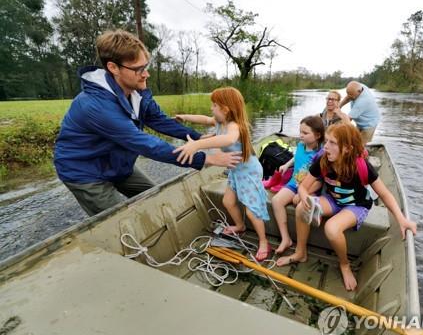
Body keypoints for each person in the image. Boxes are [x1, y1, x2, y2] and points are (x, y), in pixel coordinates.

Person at [53, 30, 241, 217]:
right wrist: (205, 159)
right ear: (113, 67)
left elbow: (159, 121)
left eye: (146, 66)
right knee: (122, 222)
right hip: (85, 171)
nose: (146, 74)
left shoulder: (137, 92)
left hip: (117, 163)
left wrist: (197, 137)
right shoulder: (95, 106)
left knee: (156, 200)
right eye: (138, 69)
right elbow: (146, 144)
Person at [276, 123, 417, 291]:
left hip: (356, 205)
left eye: (332, 143)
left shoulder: (362, 166)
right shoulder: (323, 160)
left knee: (332, 228)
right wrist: (305, 197)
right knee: (301, 209)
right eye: (326, 141)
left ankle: (344, 265)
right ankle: (300, 253)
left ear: (348, 149)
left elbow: (385, 194)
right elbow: (303, 187)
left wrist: (401, 219)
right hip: (333, 200)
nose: (326, 147)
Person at [174, 87, 272, 262]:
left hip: (248, 171)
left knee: (252, 211)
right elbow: (204, 119)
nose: (211, 109)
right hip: (236, 170)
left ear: (225, 109)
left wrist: (197, 145)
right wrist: (185, 117)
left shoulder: (235, 126)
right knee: (228, 201)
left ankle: (264, 242)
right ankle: (240, 226)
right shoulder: (220, 122)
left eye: (214, 105)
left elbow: (228, 140)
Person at [271, 116, 324, 254]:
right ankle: (285, 238)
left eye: (305, 133)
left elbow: (319, 182)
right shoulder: (301, 145)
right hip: (294, 183)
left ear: (318, 135)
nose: (301, 135)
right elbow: (296, 157)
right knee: (276, 201)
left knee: (299, 205)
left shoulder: (320, 154)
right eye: (300, 131)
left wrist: (301, 195)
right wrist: (286, 164)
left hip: (310, 188)